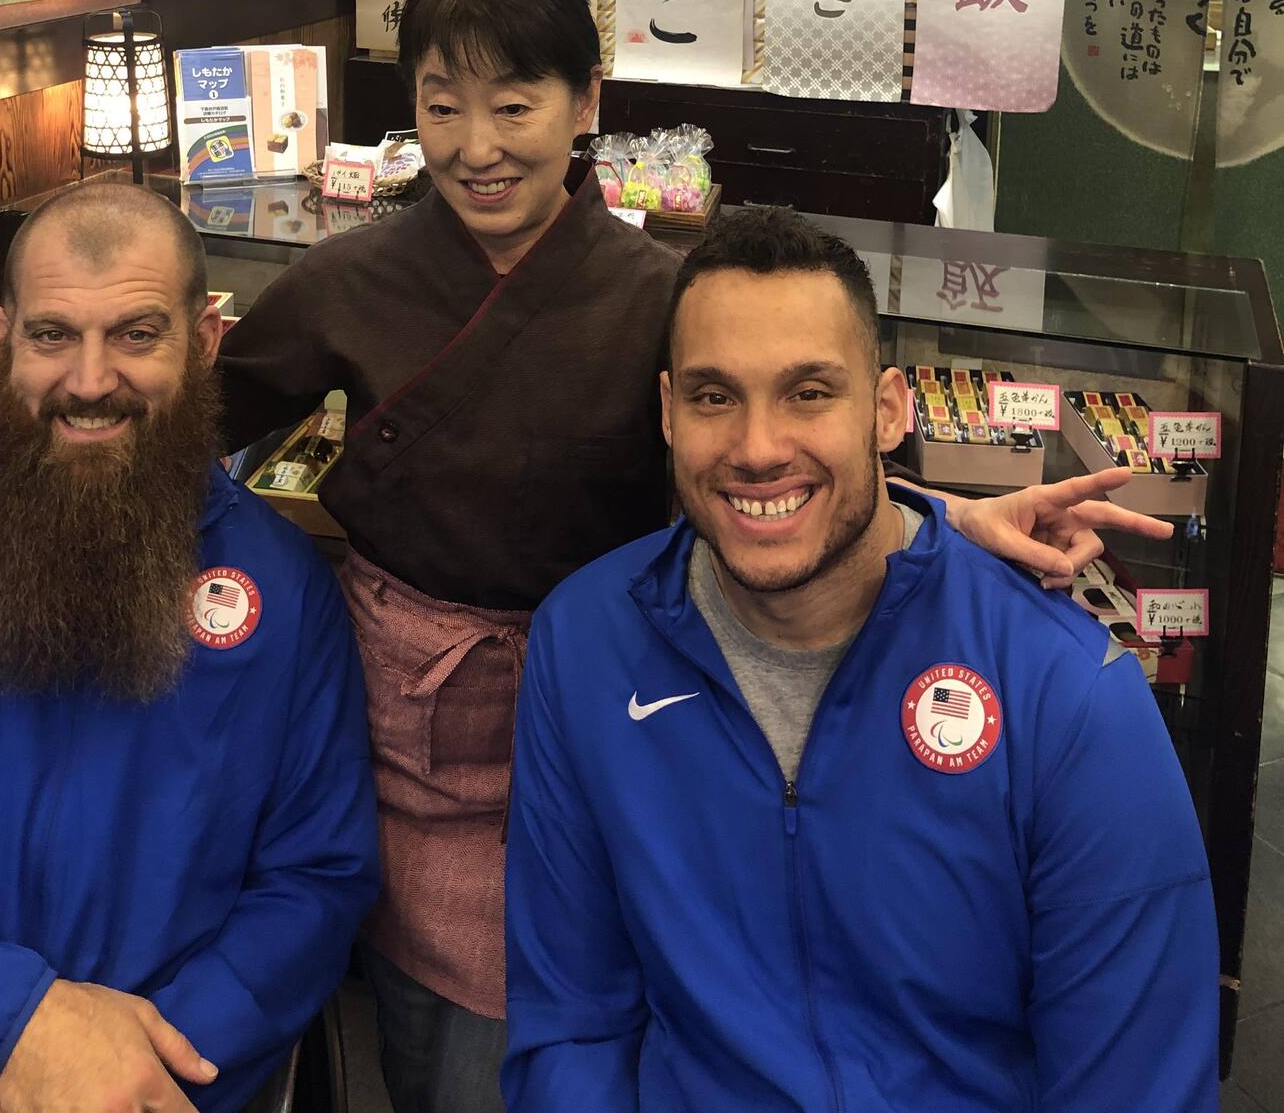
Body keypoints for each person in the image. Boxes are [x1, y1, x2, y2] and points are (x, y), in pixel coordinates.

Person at [0, 0, 1168, 1113]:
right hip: (406, 726)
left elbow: (759, 456)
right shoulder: (352, 275)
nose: (477, 146)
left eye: (516, 102)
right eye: (440, 104)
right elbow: (174, 414)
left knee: (645, 980)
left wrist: (943, 523)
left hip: (616, 697)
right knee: (433, 1026)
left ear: (587, 105)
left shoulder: (658, 287)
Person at [502, 206, 1217, 1113]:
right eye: (716, 395)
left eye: (809, 392)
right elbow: (573, 1019)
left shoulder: (1066, 692)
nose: (758, 449)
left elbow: (1135, 1082)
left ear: (886, 412)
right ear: (669, 412)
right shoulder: (585, 646)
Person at [0, 181, 379, 1113]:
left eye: (138, 335)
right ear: (0, 337)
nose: (92, 378)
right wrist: (15, 1027)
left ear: (206, 342)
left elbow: (313, 883)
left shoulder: (285, 590)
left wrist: (125, 1079)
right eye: (53, 335)